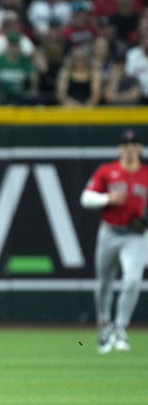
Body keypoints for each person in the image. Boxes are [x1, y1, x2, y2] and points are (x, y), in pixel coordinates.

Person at [80, 129, 148, 354]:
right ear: (120, 148)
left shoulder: (146, 174)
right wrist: (108, 198)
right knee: (104, 283)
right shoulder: (108, 171)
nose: (129, 148)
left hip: (135, 235)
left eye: (133, 144)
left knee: (132, 281)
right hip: (109, 232)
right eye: (125, 144)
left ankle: (120, 327)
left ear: (139, 148)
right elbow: (86, 198)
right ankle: (104, 325)